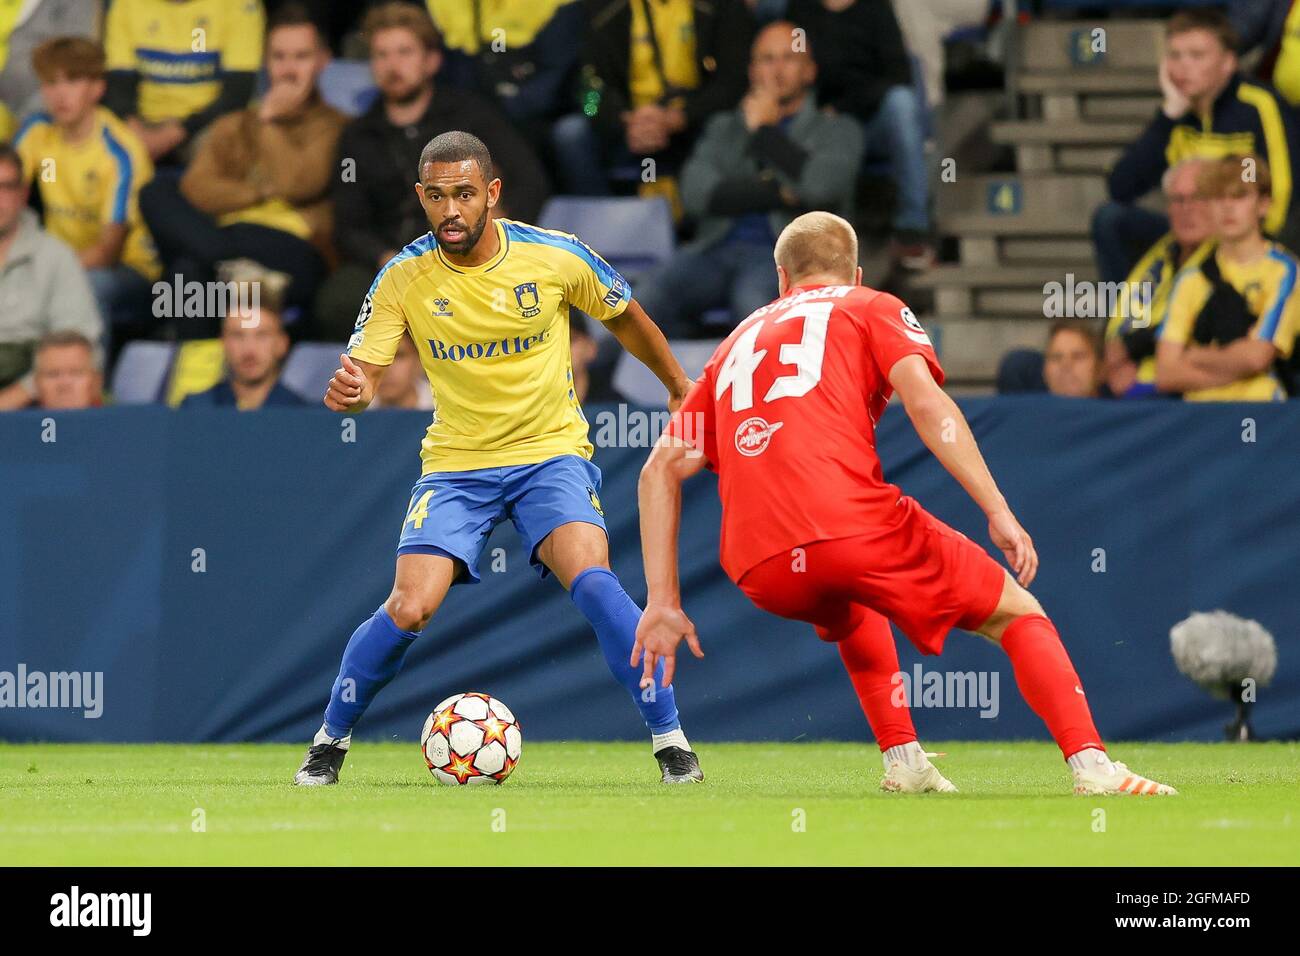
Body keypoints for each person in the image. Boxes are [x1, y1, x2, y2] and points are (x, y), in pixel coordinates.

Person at [633, 211, 1178, 797]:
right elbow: (927, 405)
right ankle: (1095, 768)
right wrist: (996, 507)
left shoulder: (735, 341)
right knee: (1017, 611)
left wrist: (663, 600)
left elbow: (658, 469)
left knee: (852, 600)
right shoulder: (870, 305)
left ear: (781, 278)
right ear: (857, 271)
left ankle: (905, 760)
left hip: (757, 564)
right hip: (846, 526)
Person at [294, 130, 703, 787]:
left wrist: (679, 386)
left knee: (594, 581)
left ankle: (671, 741)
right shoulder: (403, 275)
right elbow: (365, 373)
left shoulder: (554, 256)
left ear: (492, 192)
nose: (449, 210)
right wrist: (354, 394)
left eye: (463, 194)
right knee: (409, 605)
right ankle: (329, 742)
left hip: (550, 456)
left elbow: (627, 316)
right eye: (435, 197)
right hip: (457, 464)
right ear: (421, 198)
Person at [316, 1, 551, 340]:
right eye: (381, 55)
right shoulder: (357, 137)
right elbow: (349, 226)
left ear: (431, 61)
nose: (392, 65)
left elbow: (530, 182)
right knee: (338, 299)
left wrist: (494, 239)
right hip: (394, 262)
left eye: (404, 52)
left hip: (470, 251)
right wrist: (389, 260)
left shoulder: (471, 116)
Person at [633, 20, 863, 338]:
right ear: (753, 71)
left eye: (789, 58)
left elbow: (820, 188)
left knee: (753, 309)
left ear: (810, 71)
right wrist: (780, 192)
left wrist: (765, 132)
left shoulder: (837, 129)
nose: (777, 69)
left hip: (785, 259)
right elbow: (696, 195)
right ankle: (585, 383)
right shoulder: (722, 128)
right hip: (713, 250)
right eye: (767, 59)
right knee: (639, 300)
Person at [139, 4, 343, 328]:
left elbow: (298, 183)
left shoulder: (336, 126)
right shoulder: (233, 125)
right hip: (229, 238)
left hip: (292, 250)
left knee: (185, 274)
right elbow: (197, 189)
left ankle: (221, 266)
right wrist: (261, 190)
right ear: (266, 62)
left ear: (322, 61)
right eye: (279, 57)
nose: (289, 69)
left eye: (301, 57)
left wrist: (269, 121)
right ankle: (227, 270)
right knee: (156, 193)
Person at [1094, 7, 1299, 283]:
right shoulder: (1175, 118)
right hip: (1189, 235)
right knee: (1110, 220)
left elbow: (1284, 193)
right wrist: (1168, 116)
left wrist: (1252, 242)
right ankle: (1128, 323)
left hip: (1244, 238)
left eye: (1197, 56)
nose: (1183, 67)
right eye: (1175, 56)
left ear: (1228, 62)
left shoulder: (1258, 107)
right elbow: (1120, 187)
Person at [15, 36, 160, 335]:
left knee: (87, 288)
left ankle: (90, 379)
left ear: (97, 88)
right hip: (58, 261)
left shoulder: (121, 151)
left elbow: (107, 252)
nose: (59, 94)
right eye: (50, 83)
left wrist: (40, 270)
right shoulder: (36, 132)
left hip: (131, 272)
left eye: (72, 81)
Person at [553, 0, 753, 201]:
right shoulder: (600, 8)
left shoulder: (723, 6)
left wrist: (680, 117)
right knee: (570, 133)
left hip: (696, 121)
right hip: (629, 125)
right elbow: (587, 90)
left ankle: (712, 221)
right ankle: (602, 221)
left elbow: (734, 83)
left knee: (731, 122)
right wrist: (622, 120)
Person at [788, 0, 934, 269]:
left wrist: (845, 107)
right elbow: (797, 70)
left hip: (870, 120)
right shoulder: (800, 10)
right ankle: (820, 240)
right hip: (823, 125)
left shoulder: (876, 8)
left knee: (901, 103)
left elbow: (899, 75)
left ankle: (913, 227)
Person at [1156, 154, 1299, 401]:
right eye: (1218, 197)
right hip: (1201, 418)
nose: (1228, 207)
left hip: (1263, 412)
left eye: (1239, 196)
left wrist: (1193, 355)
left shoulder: (1286, 271)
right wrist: (1236, 361)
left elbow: (1257, 358)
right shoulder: (1191, 277)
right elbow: (1166, 374)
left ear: (1263, 204)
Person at [0, 142, 101, 411]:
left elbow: (81, 351)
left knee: (68, 378)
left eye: (6, 187)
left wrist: (8, 402)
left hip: (33, 406)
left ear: (23, 194)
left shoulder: (55, 256)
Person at [1104, 158, 1214, 398]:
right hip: (1124, 375)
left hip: (1176, 386)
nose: (1187, 209)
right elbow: (1121, 319)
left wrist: (1129, 348)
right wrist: (1111, 361)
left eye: (1199, 198)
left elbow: (1203, 323)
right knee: (1021, 367)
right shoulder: (1157, 255)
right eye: (1178, 200)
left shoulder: (1231, 257)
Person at [103, 0, 265, 164]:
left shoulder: (239, 4)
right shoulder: (126, 4)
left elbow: (236, 95)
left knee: (222, 153)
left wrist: (173, 134)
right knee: (99, 152)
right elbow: (118, 88)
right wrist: (136, 134)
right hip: (142, 124)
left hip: (207, 124)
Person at [180, 300, 305, 409]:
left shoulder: (303, 414)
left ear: (282, 344)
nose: (249, 350)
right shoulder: (195, 409)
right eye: (237, 336)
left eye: (262, 335)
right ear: (223, 343)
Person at [31, 330, 102, 410]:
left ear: (96, 382)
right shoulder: (21, 421)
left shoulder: (117, 419)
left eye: (76, 373)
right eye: (53, 374)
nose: (64, 384)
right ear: (36, 383)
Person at [1043, 321, 1102, 399]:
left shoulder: (1120, 410)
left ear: (1100, 368)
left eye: (1078, 356)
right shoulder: (1027, 409)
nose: (1065, 365)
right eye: (1056, 357)